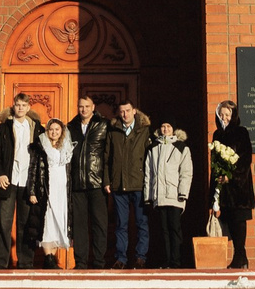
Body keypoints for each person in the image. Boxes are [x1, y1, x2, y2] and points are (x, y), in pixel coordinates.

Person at [0, 93, 42, 270]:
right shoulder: (3, 128)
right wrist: (0, 174)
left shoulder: (36, 128)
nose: (20, 108)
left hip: (28, 182)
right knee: (4, 222)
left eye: (24, 105)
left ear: (28, 107)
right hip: (8, 181)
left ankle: (25, 262)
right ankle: (1, 263)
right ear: (13, 106)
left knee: (26, 224)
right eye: (17, 105)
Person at [104, 99, 154, 268]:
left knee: (142, 224)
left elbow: (151, 158)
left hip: (139, 185)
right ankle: (121, 259)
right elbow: (107, 158)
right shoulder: (114, 131)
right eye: (121, 111)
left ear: (134, 111)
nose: (124, 114)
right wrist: (107, 180)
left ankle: (141, 258)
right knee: (121, 225)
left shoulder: (145, 131)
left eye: (127, 110)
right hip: (118, 185)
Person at [210, 100, 255, 268]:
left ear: (233, 116)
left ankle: (240, 256)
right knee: (229, 221)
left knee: (238, 221)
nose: (224, 118)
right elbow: (214, 162)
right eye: (221, 115)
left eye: (227, 115)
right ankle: (240, 258)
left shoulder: (241, 132)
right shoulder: (217, 135)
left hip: (239, 187)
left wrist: (232, 176)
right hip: (223, 188)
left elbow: (245, 159)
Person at [66, 95, 109, 269]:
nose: (83, 109)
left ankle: (99, 262)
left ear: (93, 107)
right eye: (81, 106)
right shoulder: (71, 127)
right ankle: (81, 262)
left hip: (97, 183)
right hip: (77, 183)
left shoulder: (103, 125)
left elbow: (108, 154)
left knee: (100, 224)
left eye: (87, 106)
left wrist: (107, 179)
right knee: (79, 226)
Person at [145, 122, 193, 268]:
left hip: (174, 196)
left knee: (174, 229)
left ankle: (176, 261)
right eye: (163, 127)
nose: (165, 130)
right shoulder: (153, 148)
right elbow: (149, 173)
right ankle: (166, 261)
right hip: (159, 196)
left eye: (169, 127)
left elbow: (186, 172)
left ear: (174, 129)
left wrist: (183, 193)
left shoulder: (181, 147)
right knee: (163, 230)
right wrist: (148, 195)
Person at [36, 118, 77, 266]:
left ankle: (52, 257)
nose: (54, 132)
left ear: (62, 132)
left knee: (59, 218)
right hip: (48, 186)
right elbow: (36, 169)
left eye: (57, 130)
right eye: (51, 129)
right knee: (48, 220)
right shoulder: (42, 146)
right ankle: (48, 257)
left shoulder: (65, 148)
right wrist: (35, 190)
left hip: (62, 188)